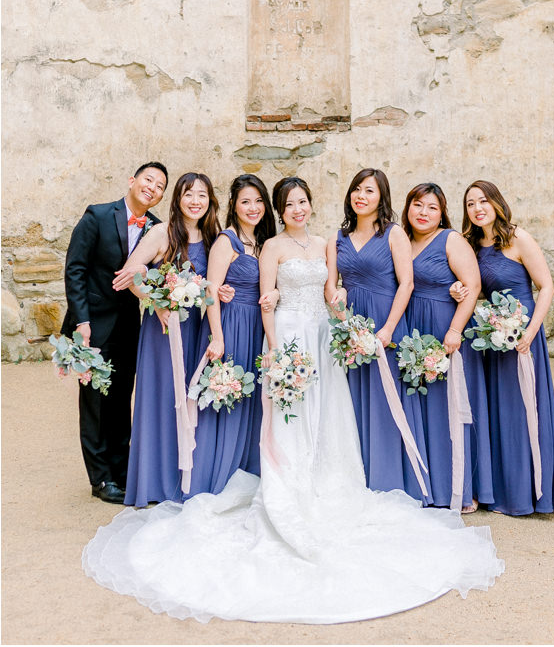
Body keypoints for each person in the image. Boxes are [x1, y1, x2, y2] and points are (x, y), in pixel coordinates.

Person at [82, 177, 504, 624]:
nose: (298, 209)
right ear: (279, 210)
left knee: (330, 413)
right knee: (291, 417)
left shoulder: (326, 242)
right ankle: (288, 483)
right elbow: (267, 300)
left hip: (323, 335)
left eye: (304, 201)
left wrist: (345, 316)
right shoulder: (271, 248)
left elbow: (331, 292)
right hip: (288, 336)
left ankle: (332, 481)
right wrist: (275, 346)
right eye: (290, 203)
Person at [457, 180, 554, 515]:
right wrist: (459, 291)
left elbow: (545, 286)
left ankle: (528, 492)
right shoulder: (470, 246)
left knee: (522, 412)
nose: (477, 209)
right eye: (470, 204)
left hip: (522, 337)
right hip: (490, 338)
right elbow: (474, 289)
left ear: (496, 203)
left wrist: (531, 332)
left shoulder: (518, 238)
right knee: (494, 413)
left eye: (483, 202)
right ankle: (496, 489)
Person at [62, 162, 168, 504]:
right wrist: (82, 322)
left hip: (128, 326)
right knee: (94, 403)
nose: (152, 187)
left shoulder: (156, 228)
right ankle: (100, 478)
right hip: (92, 326)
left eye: (160, 185)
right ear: (132, 181)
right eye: (148, 179)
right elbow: (75, 269)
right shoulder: (97, 215)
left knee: (122, 399)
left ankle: (122, 471)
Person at [327, 168, 430, 501]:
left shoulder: (393, 234)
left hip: (386, 324)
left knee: (387, 402)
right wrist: (342, 316)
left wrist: (386, 329)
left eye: (369, 191)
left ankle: (392, 479)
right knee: (353, 402)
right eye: (357, 189)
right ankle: (359, 476)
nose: (361, 196)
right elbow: (331, 285)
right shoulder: (338, 238)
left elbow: (407, 283)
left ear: (381, 197)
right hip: (351, 330)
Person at [121, 172, 221, 507]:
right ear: (178, 198)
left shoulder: (213, 236)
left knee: (194, 399)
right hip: (164, 328)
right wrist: (156, 302)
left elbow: (214, 281)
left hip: (198, 327)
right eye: (189, 194)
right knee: (164, 398)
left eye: (202, 195)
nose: (195, 201)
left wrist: (221, 289)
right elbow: (131, 272)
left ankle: (191, 478)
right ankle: (157, 482)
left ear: (210, 201)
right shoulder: (162, 232)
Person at [401, 183, 492, 512]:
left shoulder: (451, 240)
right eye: (417, 205)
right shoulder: (401, 240)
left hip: (445, 330)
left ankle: (460, 488)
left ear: (442, 214)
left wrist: (455, 330)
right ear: (408, 207)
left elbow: (473, 285)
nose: (423, 213)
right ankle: (429, 485)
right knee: (423, 410)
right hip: (413, 332)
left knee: (452, 408)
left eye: (432, 208)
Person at [189, 174, 275, 496]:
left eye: (258, 201)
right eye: (245, 202)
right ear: (233, 206)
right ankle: (214, 478)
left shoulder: (264, 242)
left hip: (256, 328)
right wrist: (217, 337)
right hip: (231, 325)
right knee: (226, 401)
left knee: (250, 402)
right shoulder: (227, 241)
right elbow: (212, 289)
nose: (253, 208)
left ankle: (245, 471)